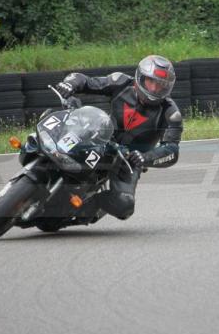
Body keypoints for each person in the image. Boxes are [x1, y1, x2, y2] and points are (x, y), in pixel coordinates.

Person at [55, 54, 183, 221]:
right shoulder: (121, 82)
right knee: (62, 129)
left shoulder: (171, 113)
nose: (153, 88)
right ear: (140, 78)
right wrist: (70, 84)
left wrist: (145, 158)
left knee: (125, 206)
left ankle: (83, 207)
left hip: (128, 160)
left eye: (160, 85)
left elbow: (172, 150)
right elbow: (86, 81)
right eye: (150, 81)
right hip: (99, 138)